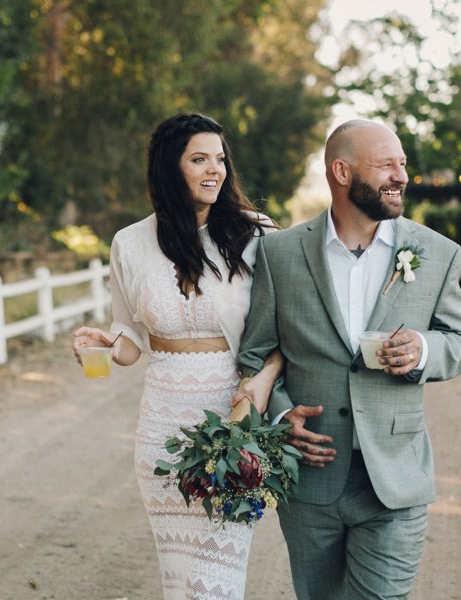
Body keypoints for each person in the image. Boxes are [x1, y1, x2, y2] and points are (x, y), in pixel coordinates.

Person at [237, 119, 461, 599]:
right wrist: (282, 414)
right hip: (309, 479)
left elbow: (460, 343)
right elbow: (255, 353)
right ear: (341, 172)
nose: (401, 176)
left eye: (403, 164)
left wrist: (423, 349)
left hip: (394, 478)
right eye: (386, 164)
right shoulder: (279, 253)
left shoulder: (436, 252)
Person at [72, 112, 282, 599]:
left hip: (233, 416)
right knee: (179, 578)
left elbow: (284, 329)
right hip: (162, 425)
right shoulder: (130, 242)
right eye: (199, 159)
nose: (216, 169)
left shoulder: (256, 234)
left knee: (216, 581)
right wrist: (104, 346)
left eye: (220, 159)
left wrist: (263, 381)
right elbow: (129, 337)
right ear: (170, 167)